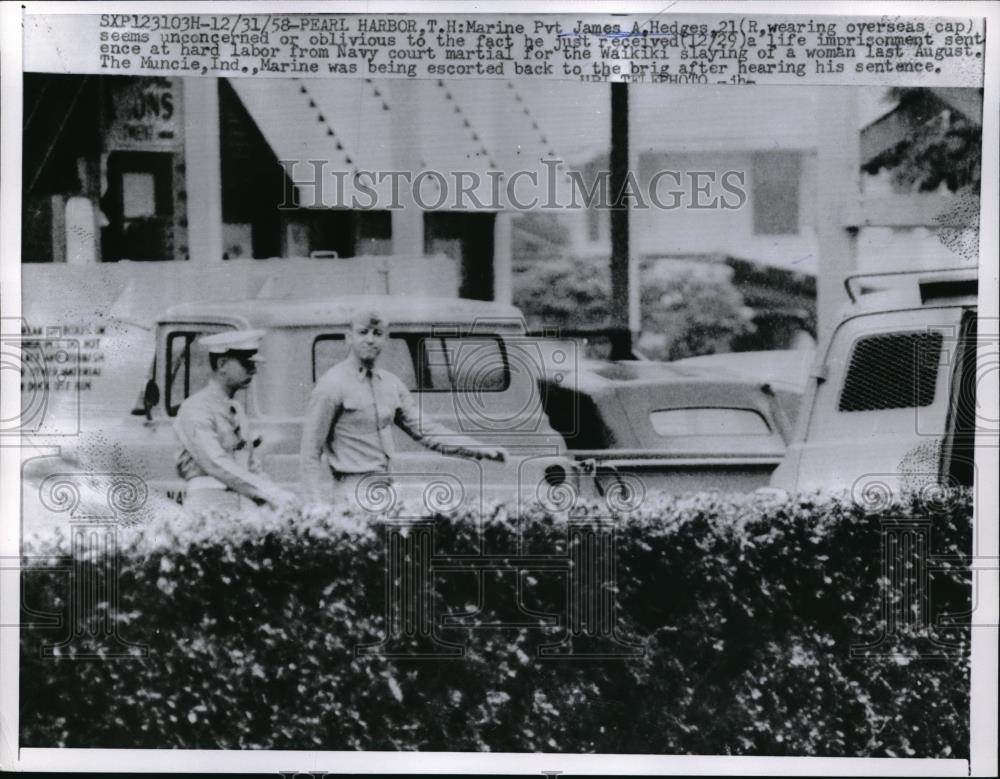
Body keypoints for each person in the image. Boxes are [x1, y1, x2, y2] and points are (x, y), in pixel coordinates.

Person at [300, 309, 508, 506]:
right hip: (351, 493)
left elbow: (427, 431)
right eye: (363, 333)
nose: (370, 339)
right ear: (349, 337)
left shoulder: (390, 384)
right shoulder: (332, 385)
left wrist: (480, 449)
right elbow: (311, 450)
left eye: (378, 333)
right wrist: (314, 504)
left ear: (385, 339)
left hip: (386, 491)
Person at [174, 329, 296, 515]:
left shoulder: (235, 409)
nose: (254, 371)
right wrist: (269, 493)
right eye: (246, 364)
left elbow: (251, 466)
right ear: (222, 364)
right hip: (208, 506)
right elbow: (214, 462)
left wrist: (277, 496)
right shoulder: (196, 409)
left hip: (240, 505)